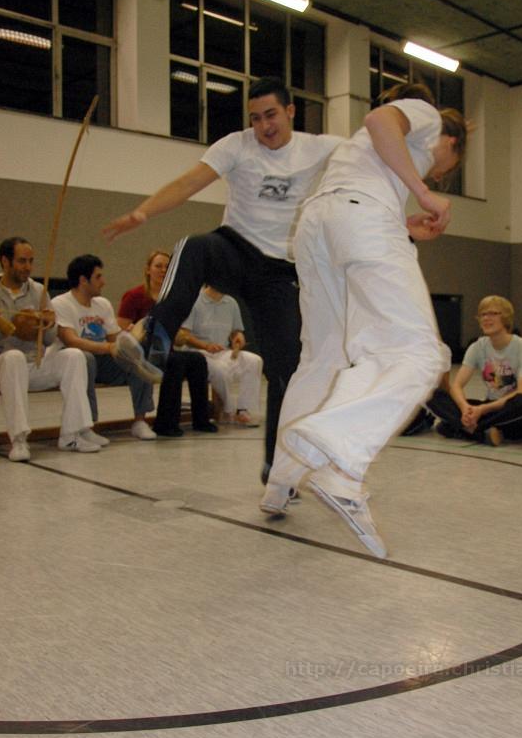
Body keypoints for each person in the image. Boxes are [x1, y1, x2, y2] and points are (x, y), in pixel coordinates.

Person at [260, 83, 467, 558]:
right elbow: (380, 121)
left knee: (322, 360)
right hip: (358, 220)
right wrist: (425, 195)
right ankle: (341, 466)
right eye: (446, 167)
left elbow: (356, 196)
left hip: (319, 228)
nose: (438, 174)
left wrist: (403, 221)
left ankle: (281, 481)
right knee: (421, 354)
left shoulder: (364, 155)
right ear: (452, 142)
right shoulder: (427, 116)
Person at [102, 76, 343, 480]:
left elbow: (373, 157)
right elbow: (189, 182)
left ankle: (277, 463)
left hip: (279, 270)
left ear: (290, 111)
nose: (264, 126)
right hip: (233, 248)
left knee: (286, 368)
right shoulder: (236, 145)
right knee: (193, 246)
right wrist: (143, 212)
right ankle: (156, 343)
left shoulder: (320, 148)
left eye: (271, 115)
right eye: (255, 118)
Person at [0, 236, 99, 461]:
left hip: (34, 363)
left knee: (74, 356)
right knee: (13, 357)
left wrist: (49, 324)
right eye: (21, 261)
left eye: (31, 261)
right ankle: (19, 440)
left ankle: (71, 434)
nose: (28, 267)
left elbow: (49, 340)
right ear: (5, 262)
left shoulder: (38, 291)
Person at [51, 255, 158, 441]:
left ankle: (140, 420)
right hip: (73, 360)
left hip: (103, 360)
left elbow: (114, 338)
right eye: (98, 277)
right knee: (85, 358)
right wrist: (109, 347)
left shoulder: (103, 304)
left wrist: (130, 339)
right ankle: (86, 425)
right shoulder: (60, 304)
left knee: (139, 356)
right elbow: (71, 340)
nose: (103, 282)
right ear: (83, 280)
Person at [117, 250, 216, 437]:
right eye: (158, 266)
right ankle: (166, 423)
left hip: (166, 349)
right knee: (174, 362)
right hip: (142, 352)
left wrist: (182, 336)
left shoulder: (172, 298)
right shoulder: (134, 296)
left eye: (167, 267)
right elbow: (121, 329)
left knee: (197, 360)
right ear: (148, 270)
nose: (163, 270)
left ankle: (201, 419)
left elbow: (176, 333)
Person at [426, 295, 522, 445]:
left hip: (510, 410)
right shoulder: (477, 347)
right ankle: (484, 431)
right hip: (489, 407)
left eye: (492, 314)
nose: (486, 318)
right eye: (482, 315)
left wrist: (482, 410)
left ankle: (462, 428)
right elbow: (457, 385)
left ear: (506, 317)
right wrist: (465, 408)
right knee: (434, 395)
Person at [179, 286, 263, 427]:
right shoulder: (194, 300)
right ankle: (227, 410)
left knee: (254, 361)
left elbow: (236, 331)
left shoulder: (231, 303)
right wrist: (205, 345)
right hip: (197, 353)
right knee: (220, 370)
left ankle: (244, 409)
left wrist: (238, 337)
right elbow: (184, 334)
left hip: (222, 352)